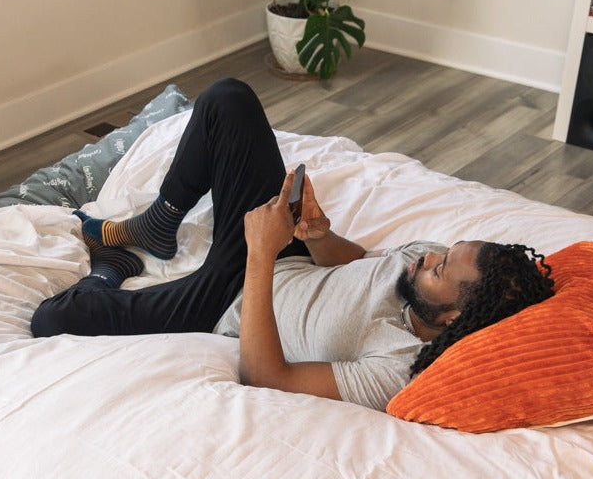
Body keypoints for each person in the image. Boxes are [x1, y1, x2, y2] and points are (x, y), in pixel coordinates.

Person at [31, 78, 555, 411]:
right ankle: (158, 223)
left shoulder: (397, 364)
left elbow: (265, 375)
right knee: (227, 100)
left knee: (54, 318)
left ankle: (111, 267)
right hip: (288, 257)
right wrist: (320, 237)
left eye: (437, 271)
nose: (426, 258)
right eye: (444, 252)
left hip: (234, 297)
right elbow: (367, 265)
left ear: (449, 321)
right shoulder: (428, 264)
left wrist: (259, 256)